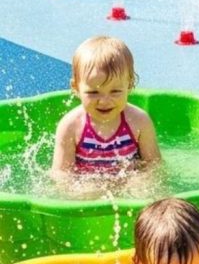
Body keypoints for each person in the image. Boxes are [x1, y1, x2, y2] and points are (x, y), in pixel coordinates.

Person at [52, 36, 161, 176]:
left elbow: (154, 165)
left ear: (129, 84)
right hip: (88, 184)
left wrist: (142, 183)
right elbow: (61, 174)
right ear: (76, 88)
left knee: (138, 186)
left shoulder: (139, 121)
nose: (104, 101)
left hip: (128, 180)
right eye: (93, 92)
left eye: (115, 91)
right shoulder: (70, 126)